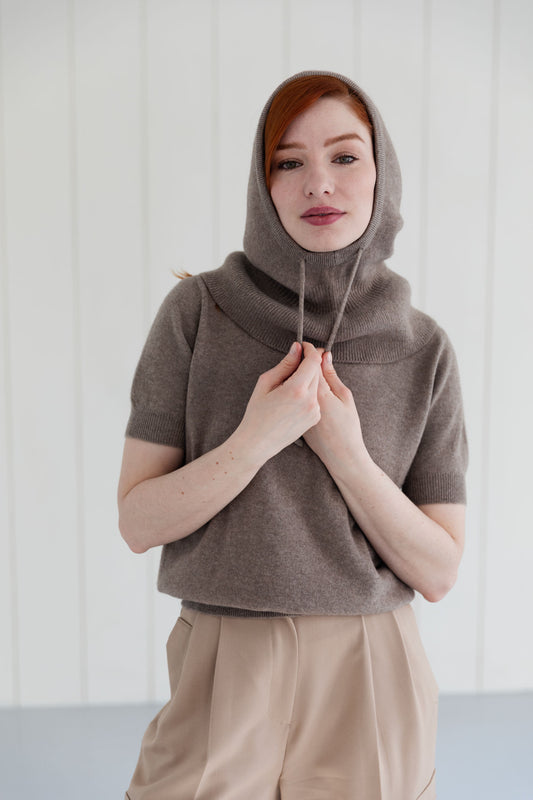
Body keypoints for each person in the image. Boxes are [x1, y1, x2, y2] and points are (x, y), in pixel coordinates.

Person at [119, 70, 467, 800]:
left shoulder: (422, 346)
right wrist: (254, 439)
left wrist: (345, 452)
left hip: (371, 664)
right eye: (289, 161)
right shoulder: (197, 312)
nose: (318, 184)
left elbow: (437, 570)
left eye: (345, 156)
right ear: (262, 180)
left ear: (381, 175)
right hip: (225, 653)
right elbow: (137, 522)